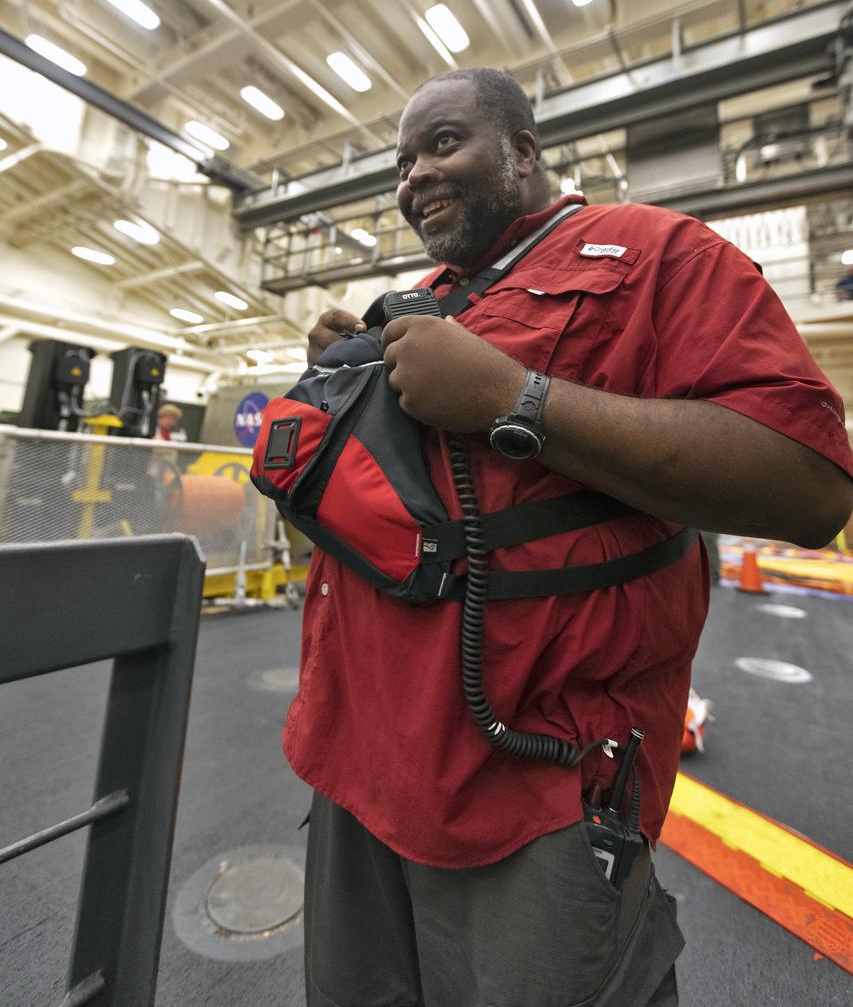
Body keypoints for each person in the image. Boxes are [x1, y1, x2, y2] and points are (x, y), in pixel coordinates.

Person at [290, 68, 853, 1007]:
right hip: (354, 762)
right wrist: (349, 377)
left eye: (442, 144)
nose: (413, 178)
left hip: (535, 788)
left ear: (521, 150)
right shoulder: (423, 302)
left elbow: (808, 486)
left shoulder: (658, 254)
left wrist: (517, 400)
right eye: (400, 163)